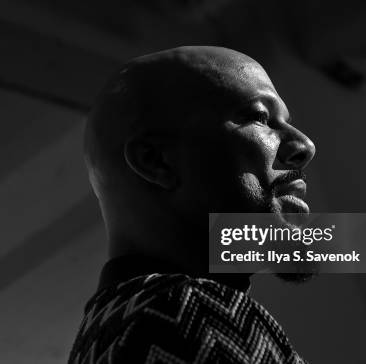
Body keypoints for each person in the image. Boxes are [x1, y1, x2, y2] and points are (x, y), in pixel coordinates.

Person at [69, 46, 316, 363]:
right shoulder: (191, 309)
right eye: (260, 117)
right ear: (156, 161)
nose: (304, 145)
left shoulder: (105, 332)